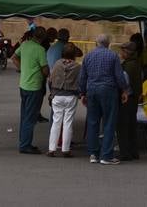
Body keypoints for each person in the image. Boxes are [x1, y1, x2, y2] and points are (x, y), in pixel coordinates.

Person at [78, 33, 128, 165]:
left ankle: (93, 153)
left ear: (96, 43)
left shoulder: (88, 56)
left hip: (92, 90)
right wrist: (124, 90)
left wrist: (82, 93)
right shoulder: (113, 56)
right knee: (109, 122)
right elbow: (119, 76)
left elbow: (82, 77)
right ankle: (106, 155)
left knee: (93, 121)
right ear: (108, 44)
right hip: (108, 90)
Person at [12, 25, 49, 154]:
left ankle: (23, 141)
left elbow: (14, 57)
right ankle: (25, 145)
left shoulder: (25, 44)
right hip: (34, 86)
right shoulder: (40, 50)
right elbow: (44, 69)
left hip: (23, 84)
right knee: (30, 117)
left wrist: (22, 69)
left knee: (24, 115)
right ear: (43, 38)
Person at [47, 43, 81, 157]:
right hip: (71, 95)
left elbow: (50, 80)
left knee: (56, 122)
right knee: (68, 122)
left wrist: (52, 92)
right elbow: (80, 81)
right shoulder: (77, 66)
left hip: (57, 94)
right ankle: (65, 149)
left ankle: (52, 148)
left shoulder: (57, 64)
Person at [117, 41, 142, 161]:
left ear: (126, 52)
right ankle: (133, 151)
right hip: (134, 98)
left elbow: (125, 82)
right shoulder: (136, 63)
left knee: (123, 126)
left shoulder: (128, 66)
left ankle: (125, 153)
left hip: (127, 98)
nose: (121, 53)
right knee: (132, 125)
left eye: (122, 51)